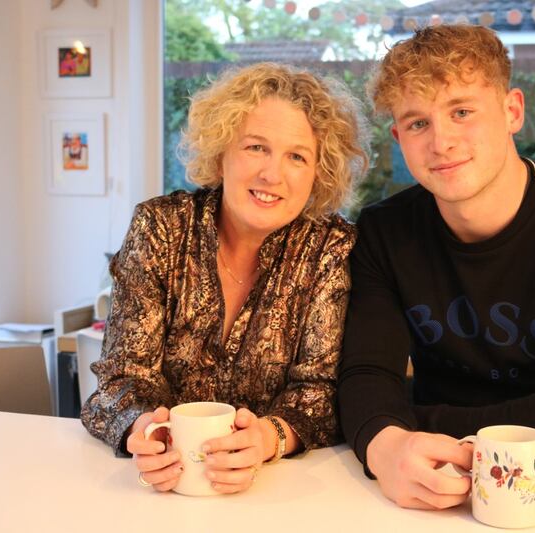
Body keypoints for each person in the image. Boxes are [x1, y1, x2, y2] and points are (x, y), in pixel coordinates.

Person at [338, 24, 535, 510]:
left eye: (461, 112)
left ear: (512, 111)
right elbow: (365, 377)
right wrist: (388, 446)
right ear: (399, 136)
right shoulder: (384, 231)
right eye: (418, 123)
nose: (440, 141)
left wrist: (404, 428)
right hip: (429, 475)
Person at [82, 62, 369, 495]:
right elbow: (121, 380)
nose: (272, 174)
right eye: (256, 147)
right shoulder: (160, 227)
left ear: (317, 174)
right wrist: (144, 434)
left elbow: (320, 393)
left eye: (297, 156)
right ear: (221, 153)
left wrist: (269, 438)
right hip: (166, 490)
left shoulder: (332, 248)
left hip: (278, 494)